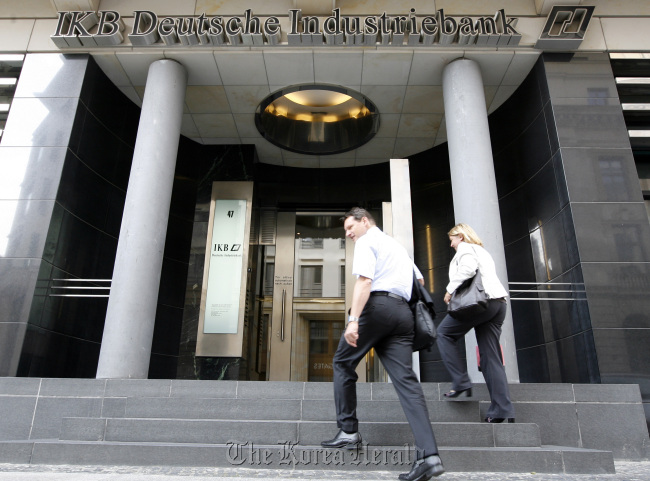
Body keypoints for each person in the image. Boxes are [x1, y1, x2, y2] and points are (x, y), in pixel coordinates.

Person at [321, 207, 445, 481]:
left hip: (377, 307)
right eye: (346, 231)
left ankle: (349, 431)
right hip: (403, 315)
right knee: (407, 382)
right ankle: (429, 456)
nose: (349, 233)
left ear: (364, 221)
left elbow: (365, 281)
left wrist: (354, 320)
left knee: (342, 362)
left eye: (350, 227)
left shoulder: (367, 241)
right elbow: (420, 280)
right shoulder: (396, 246)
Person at [438, 223, 515, 423]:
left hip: (480, 303)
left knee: (444, 333)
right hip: (498, 305)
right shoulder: (483, 251)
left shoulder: (466, 248)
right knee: (491, 358)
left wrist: (449, 289)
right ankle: (502, 410)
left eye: (452, 240)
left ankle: (461, 381)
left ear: (461, 237)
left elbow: (468, 269)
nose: (452, 244)